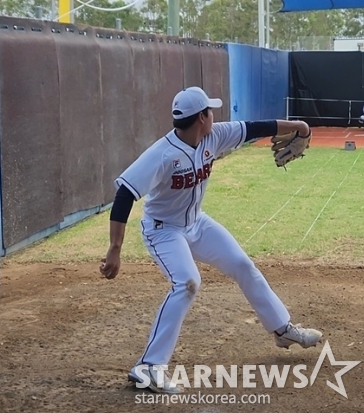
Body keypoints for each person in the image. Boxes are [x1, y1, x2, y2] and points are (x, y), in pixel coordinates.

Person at [99, 86, 323, 394]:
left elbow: (257, 127)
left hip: (197, 224)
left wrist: (299, 127)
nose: (214, 115)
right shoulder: (162, 154)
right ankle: (149, 368)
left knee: (242, 264)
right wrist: (114, 250)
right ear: (202, 117)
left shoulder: (213, 135)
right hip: (164, 230)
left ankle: (283, 329)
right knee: (187, 282)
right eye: (210, 110)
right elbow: (125, 194)